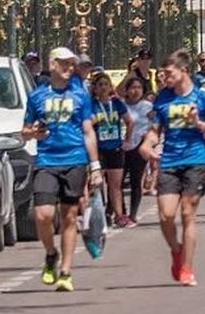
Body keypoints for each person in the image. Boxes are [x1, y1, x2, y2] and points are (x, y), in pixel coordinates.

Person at [21, 47, 102, 292]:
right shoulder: (37, 96)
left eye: (72, 64)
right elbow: (25, 130)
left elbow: (88, 131)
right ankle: (50, 253)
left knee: (69, 216)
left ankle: (66, 271)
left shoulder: (80, 96)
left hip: (74, 160)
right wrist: (33, 133)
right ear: (53, 64)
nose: (70, 68)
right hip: (47, 161)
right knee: (43, 214)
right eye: (65, 63)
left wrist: (95, 166)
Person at [144, 49, 205, 287]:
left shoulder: (204, 97)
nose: (165, 77)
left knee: (188, 214)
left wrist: (197, 123)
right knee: (166, 216)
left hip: (195, 159)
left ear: (184, 71)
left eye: (169, 73)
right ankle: (176, 250)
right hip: (169, 160)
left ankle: (187, 269)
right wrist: (147, 145)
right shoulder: (163, 98)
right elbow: (155, 130)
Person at [88, 72, 131, 233]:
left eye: (106, 84)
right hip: (99, 149)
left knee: (115, 186)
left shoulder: (117, 103)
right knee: (97, 185)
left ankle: (119, 215)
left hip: (115, 148)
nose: (103, 87)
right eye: (100, 85)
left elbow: (129, 121)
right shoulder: (92, 104)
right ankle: (99, 216)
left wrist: (126, 140)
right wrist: (95, 119)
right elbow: (87, 123)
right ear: (95, 89)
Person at [117, 76, 153, 227]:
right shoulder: (121, 104)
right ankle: (121, 212)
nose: (136, 91)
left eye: (139, 88)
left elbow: (156, 124)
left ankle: (133, 214)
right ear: (126, 90)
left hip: (139, 145)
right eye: (132, 88)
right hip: (121, 146)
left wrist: (148, 136)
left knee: (135, 181)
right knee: (117, 182)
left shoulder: (147, 106)